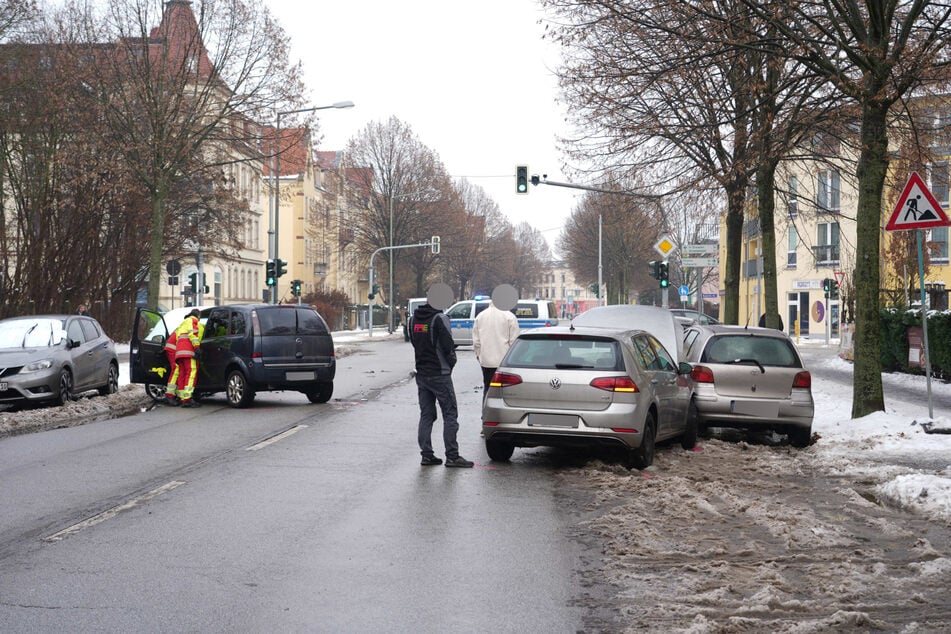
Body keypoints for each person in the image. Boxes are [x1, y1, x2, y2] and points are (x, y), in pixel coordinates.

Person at [409, 282, 474, 468]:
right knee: (450, 414)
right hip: (440, 373)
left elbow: (415, 344)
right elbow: (448, 346)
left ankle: (427, 455)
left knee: (427, 415)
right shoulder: (440, 318)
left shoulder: (414, 319)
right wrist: (450, 364)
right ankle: (452, 456)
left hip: (422, 374)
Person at [472, 284, 520, 397]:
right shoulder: (510, 317)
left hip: (486, 362)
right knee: (504, 391)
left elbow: (476, 342)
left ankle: (485, 412)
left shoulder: (480, 316)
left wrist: (480, 356)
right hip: (504, 362)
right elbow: (514, 342)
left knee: (488, 388)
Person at [171, 309, 204, 408]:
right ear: (197, 315)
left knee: (182, 374)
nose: (199, 319)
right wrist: (197, 347)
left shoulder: (183, 323)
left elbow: (178, 337)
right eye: (199, 317)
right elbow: (192, 334)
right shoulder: (193, 320)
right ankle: (188, 399)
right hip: (188, 351)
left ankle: (182, 397)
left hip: (179, 352)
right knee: (191, 372)